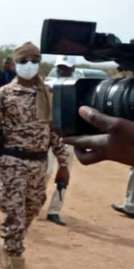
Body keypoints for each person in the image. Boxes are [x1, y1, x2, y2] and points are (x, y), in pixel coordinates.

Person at [0, 42, 70, 269]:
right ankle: (18, 268)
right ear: (17, 64)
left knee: (32, 207)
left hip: (39, 162)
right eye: (24, 60)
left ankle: (8, 241)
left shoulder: (47, 94)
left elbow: (54, 133)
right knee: (15, 212)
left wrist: (63, 164)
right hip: (12, 162)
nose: (29, 65)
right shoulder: (4, 94)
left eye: (34, 60)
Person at [43, 56, 76, 226]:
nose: (62, 70)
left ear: (73, 68)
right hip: (49, 136)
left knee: (63, 175)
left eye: (66, 68)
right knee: (46, 171)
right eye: (59, 67)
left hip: (68, 138)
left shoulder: (78, 89)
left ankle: (54, 211)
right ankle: (36, 202)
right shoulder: (48, 87)